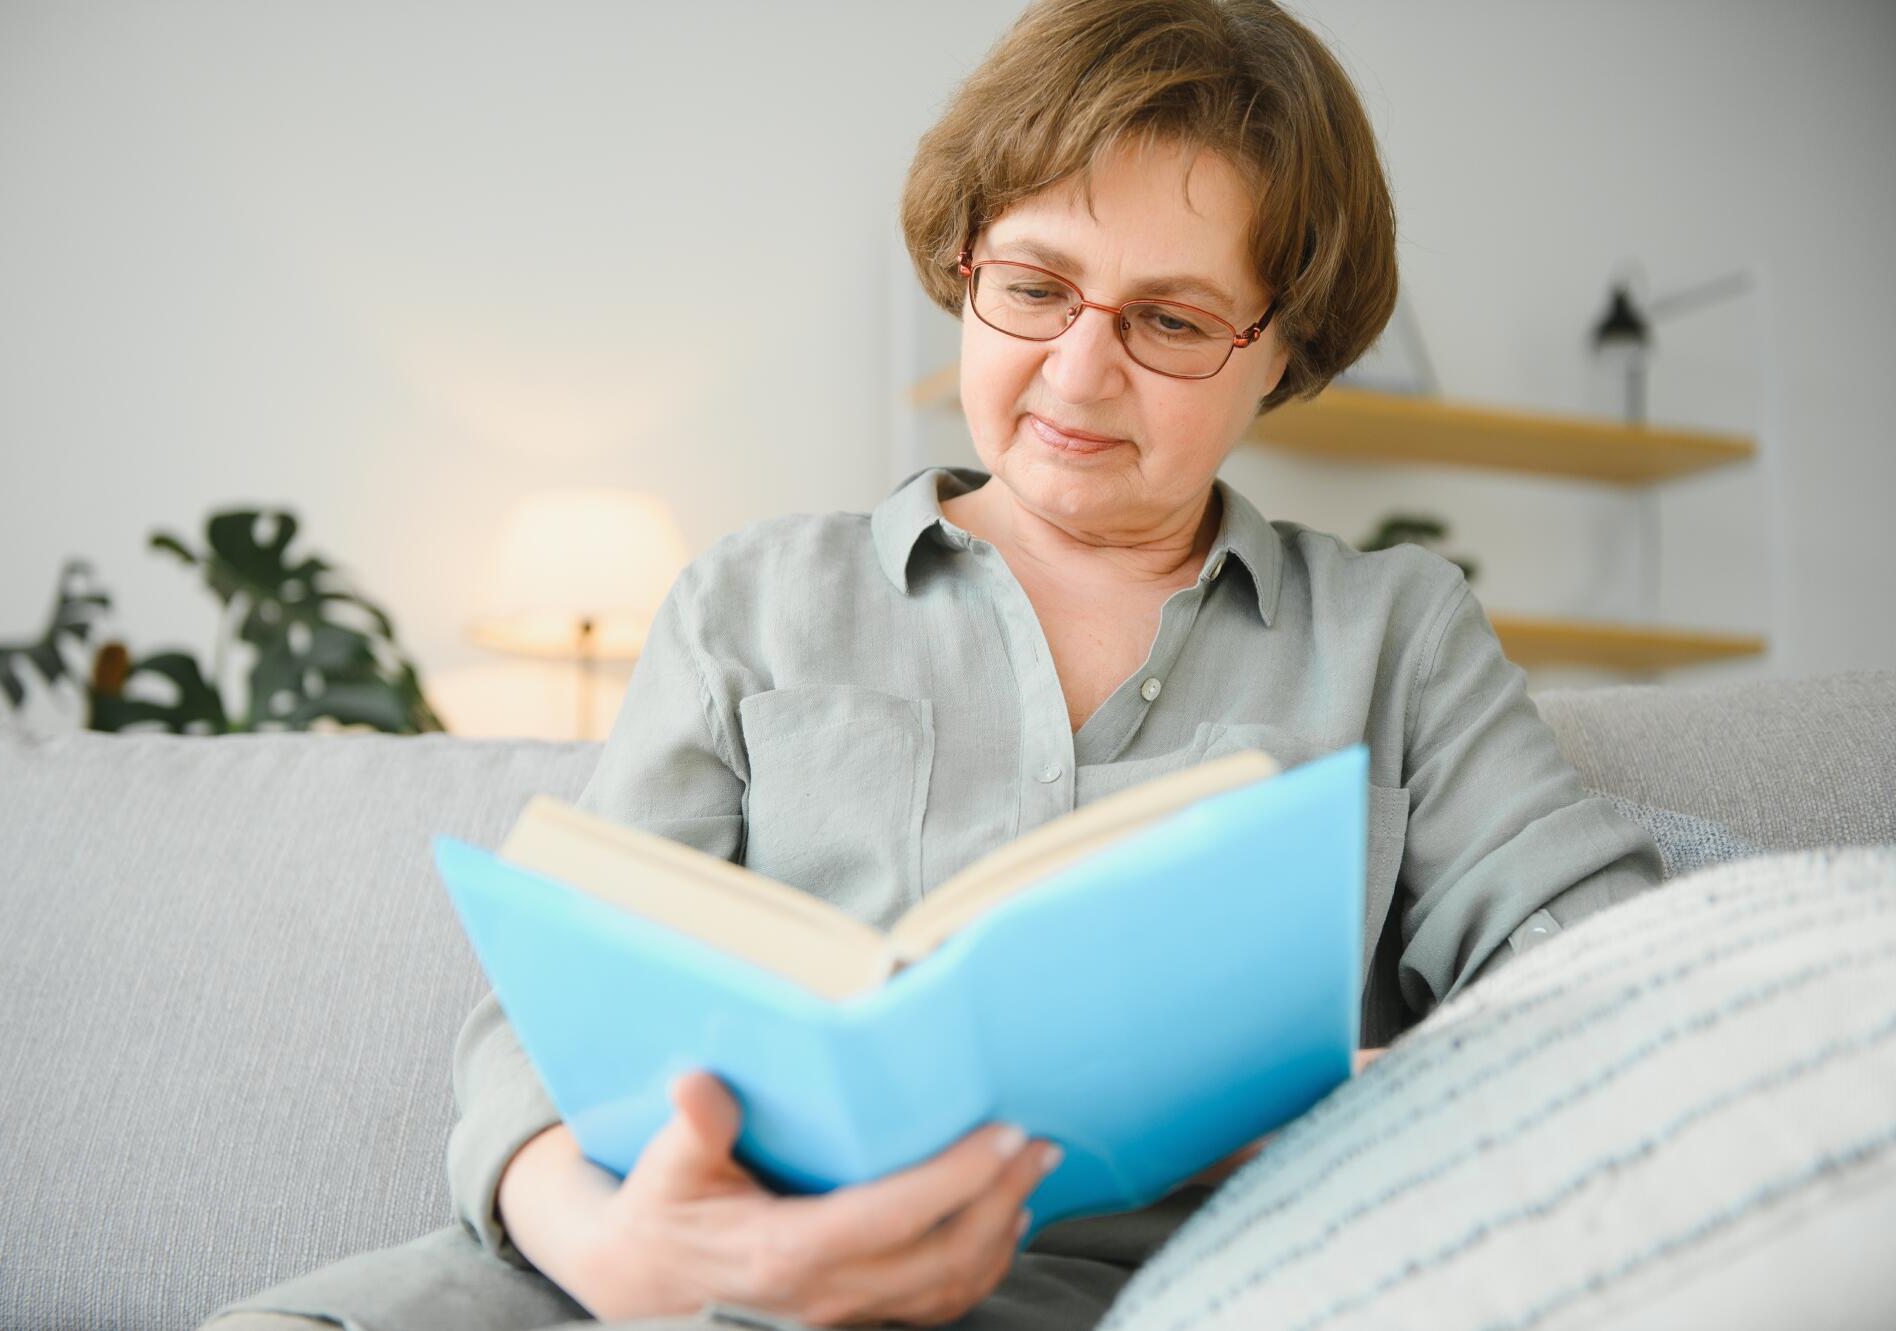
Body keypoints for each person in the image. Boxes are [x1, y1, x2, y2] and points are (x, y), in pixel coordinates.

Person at [205, 1, 1663, 1327]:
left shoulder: (1396, 634)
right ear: (965, 268)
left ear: (1279, 350)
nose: (1080, 373)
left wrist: (1359, 1109)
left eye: (1170, 321)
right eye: (1034, 287)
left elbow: (1610, 967)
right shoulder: (754, 600)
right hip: (689, 1266)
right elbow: (552, 1012)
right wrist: (615, 1252)